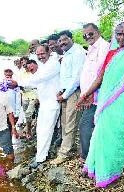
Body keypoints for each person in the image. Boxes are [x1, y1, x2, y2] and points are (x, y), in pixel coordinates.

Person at [78, 21, 124, 188]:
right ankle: (95, 168)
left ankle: (110, 173)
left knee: (117, 140)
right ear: (114, 35)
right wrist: (85, 94)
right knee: (101, 136)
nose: (122, 37)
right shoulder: (111, 54)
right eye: (118, 34)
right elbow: (100, 79)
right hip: (106, 103)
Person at [51, 30, 86, 165]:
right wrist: (61, 91)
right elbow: (65, 76)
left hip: (74, 92)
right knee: (65, 122)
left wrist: (65, 94)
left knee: (71, 123)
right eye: (59, 41)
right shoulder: (66, 54)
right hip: (65, 92)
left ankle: (64, 154)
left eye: (64, 39)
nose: (62, 43)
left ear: (71, 39)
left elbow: (77, 78)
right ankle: (68, 148)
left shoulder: (78, 53)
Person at [22, 45, 60, 168]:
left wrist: (18, 83)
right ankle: (41, 154)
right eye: (38, 54)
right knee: (40, 130)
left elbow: (37, 79)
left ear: (49, 52)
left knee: (46, 131)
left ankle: (41, 158)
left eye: (42, 53)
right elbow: (34, 80)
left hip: (52, 104)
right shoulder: (43, 66)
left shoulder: (53, 64)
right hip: (44, 104)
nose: (40, 56)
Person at [78, 23, 109, 163]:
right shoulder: (91, 48)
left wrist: (89, 94)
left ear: (98, 32)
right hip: (89, 94)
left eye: (90, 34)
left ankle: (87, 158)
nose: (87, 37)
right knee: (93, 127)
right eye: (84, 35)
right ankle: (93, 157)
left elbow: (101, 75)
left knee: (85, 126)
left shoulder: (104, 47)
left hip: (96, 96)